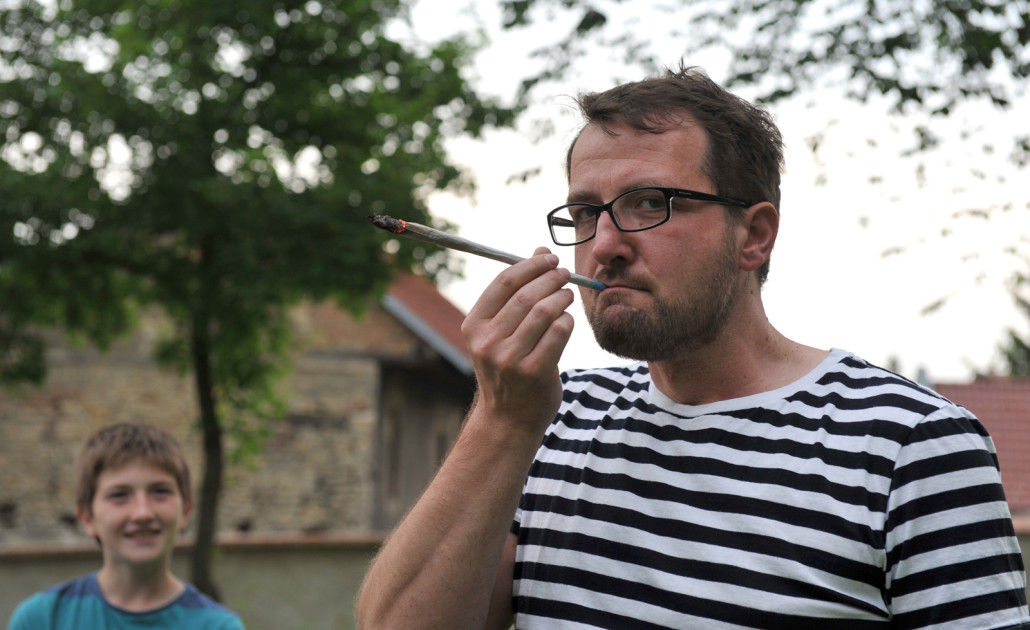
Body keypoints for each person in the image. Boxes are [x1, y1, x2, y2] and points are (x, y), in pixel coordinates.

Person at [356, 64, 1030, 629]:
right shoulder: (555, 417)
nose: (605, 245)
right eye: (585, 212)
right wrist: (500, 422)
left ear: (754, 236)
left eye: (649, 203)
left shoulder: (909, 445)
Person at [7, 423, 245, 630]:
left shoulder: (217, 626)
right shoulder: (42, 620)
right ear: (87, 518)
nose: (142, 513)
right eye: (119, 495)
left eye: (160, 492)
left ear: (185, 511)